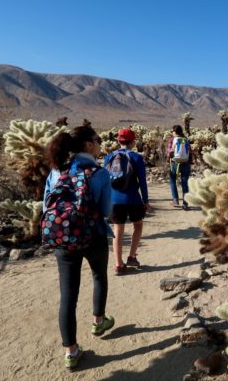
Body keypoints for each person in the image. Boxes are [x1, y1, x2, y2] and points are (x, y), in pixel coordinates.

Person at [43, 126, 114, 370]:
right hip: (93, 235)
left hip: (63, 238)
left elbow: (46, 207)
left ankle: (71, 352)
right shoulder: (100, 174)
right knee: (98, 276)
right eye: (98, 139)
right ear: (88, 145)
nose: (101, 142)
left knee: (68, 295)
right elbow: (105, 211)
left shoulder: (56, 171)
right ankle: (99, 321)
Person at [104, 128, 151, 274]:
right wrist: (146, 201)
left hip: (114, 199)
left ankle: (118, 264)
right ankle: (131, 256)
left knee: (118, 230)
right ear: (133, 142)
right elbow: (142, 181)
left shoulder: (109, 157)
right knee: (138, 225)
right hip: (133, 199)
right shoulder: (136, 157)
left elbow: (105, 179)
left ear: (118, 141)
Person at [167, 125, 192, 209]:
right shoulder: (186, 139)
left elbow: (170, 151)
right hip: (185, 162)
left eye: (172, 131)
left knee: (172, 180)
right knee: (185, 183)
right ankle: (185, 203)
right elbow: (190, 151)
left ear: (174, 132)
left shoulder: (173, 140)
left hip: (175, 162)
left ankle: (175, 200)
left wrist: (168, 160)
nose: (172, 133)